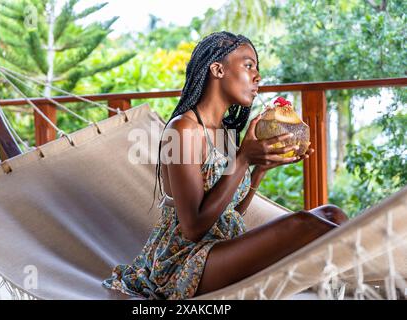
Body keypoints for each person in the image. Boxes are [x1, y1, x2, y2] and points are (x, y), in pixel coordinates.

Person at [102, 31, 348, 299]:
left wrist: (258, 169)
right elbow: (193, 227)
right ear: (217, 69)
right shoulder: (183, 129)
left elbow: (229, 212)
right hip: (183, 262)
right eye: (248, 65)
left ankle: (352, 274)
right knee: (303, 223)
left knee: (331, 214)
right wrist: (243, 159)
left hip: (221, 248)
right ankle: (381, 260)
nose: (257, 76)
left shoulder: (224, 133)